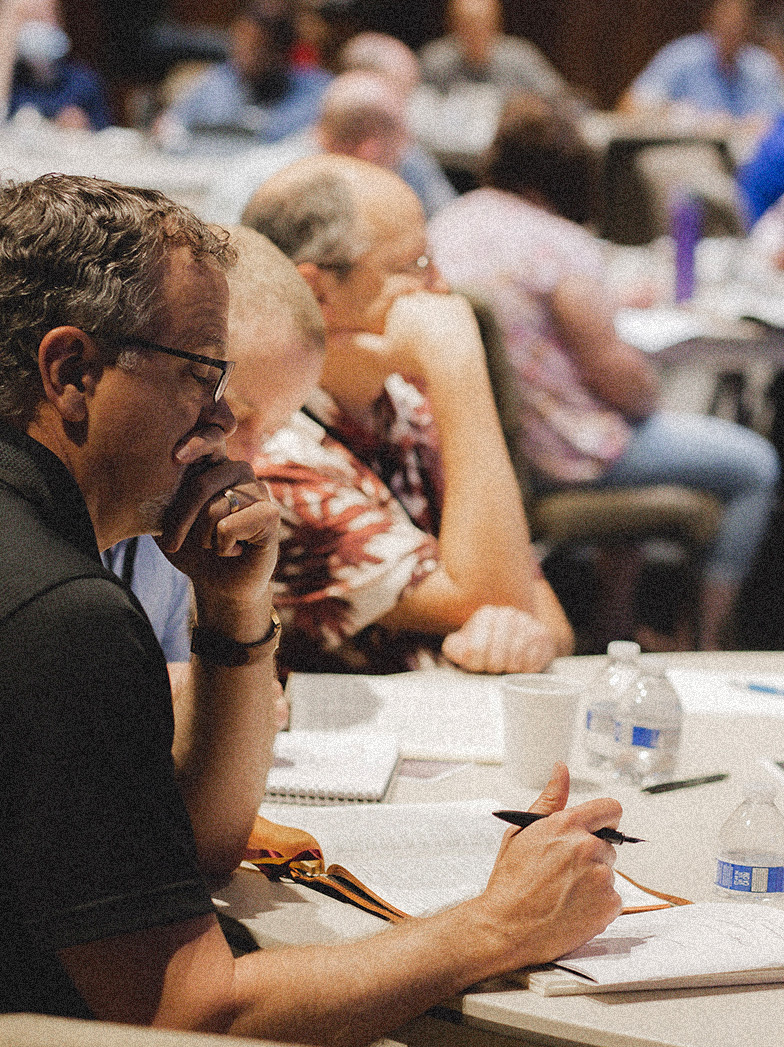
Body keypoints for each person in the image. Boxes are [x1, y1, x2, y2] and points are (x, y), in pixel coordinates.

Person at [0, 171, 624, 1040]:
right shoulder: (63, 613)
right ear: (70, 371)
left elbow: (199, 846)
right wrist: (499, 924)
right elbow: (187, 1010)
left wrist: (233, 611)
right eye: (202, 376)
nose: (221, 422)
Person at [428, 93, 781, 651]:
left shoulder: (445, 225)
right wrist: (646, 383)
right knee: (756, 464)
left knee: (626, 429)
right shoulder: (558, 245)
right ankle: (710, 644)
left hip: (469, 450)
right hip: (560, 452)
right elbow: (619, 383)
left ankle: (615, 625)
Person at [241, 153, 575, 676]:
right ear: (316, 293)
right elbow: (502, 596)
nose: (441, 287)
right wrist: (457, 363)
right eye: (414, 265)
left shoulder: (401, 403)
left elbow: (542, 611)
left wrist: (524, 634)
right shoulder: (267, 463)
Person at [204, 68, 456, 225]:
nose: (405, 155)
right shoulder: (266, 186)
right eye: (398, 149)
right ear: (371, 149)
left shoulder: (253, 168)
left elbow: (448, 222)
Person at [156, 0, 331, 147]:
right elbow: (168, 126)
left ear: (282, 52)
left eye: (257, 49)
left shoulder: (318, 91)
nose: (244, 57)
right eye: (240, 46)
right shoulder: (216, 82)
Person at [620, 0, 783, 126]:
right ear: (710, 20)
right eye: (727, 20)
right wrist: (677, 115)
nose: (733, 29)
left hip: (746, 155)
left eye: (740, 23)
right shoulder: (683, 55)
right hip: (690, 152)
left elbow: (778, 121)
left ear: (750, 27)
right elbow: (629, 106)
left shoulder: (760, 65)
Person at [418, 0, 573, 107]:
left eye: (481, 25)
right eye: (466, 26)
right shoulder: (435, 60)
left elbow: (561, 100)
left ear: (496, 24)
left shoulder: (520, 58)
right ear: (452, 26)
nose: (474, 33)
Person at [0, 0, 111, 129]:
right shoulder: (9, 83)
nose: (37, 26)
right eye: (27, 17)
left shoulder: (84, 82)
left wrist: (83, 127)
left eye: (43, 16)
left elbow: (110, 136)